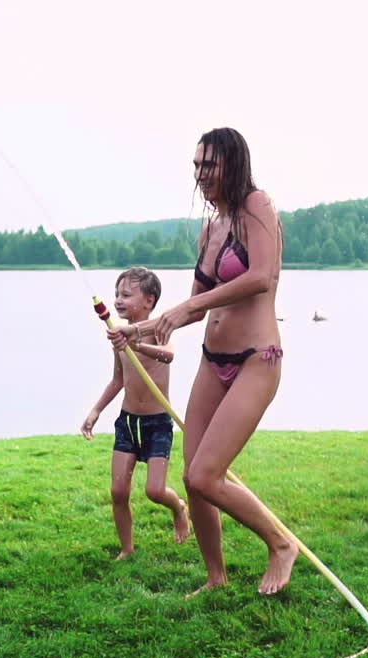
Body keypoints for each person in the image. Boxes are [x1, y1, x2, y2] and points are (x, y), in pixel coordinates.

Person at [108, 128, 297, 596]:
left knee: (206, 474)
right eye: (196, 166)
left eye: (208, 165)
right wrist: (139, 330)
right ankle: (216, 577)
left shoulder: (258, 206)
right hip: (214, 361)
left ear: (233, 164)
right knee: (193, 479)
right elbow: (195, 304)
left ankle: (280, 544)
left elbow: (260, 277)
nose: (200, 175)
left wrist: (187, 310)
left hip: (257, 358)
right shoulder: (210, 229)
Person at [82, 268, 190, 560]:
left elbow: (169, 355)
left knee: (155, 491)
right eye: (117, 294)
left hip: (157, 423)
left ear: (149, 301)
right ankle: (127, 549)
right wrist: (96, 410)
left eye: (126, 295)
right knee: (118, 491)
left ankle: (179, 507)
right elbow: (118, 379)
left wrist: (137, 343)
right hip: (128, 421)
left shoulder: (159, 329)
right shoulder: (118, 338)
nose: (118, 300)